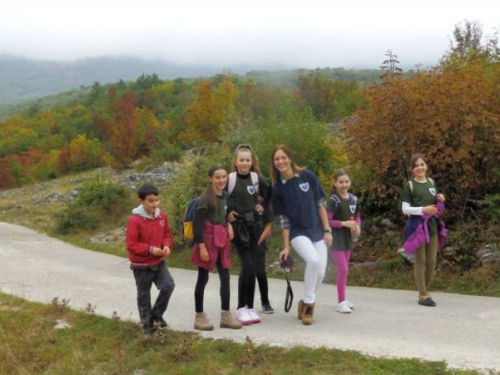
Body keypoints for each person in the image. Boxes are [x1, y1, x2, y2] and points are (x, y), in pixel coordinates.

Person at [271, 145, 333, 325]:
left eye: (283, 157)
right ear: (274, 164)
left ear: (290, 158)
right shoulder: (277, 189)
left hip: (317, 230)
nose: (281, 161)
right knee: (313, 261)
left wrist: (327, 230)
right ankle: (309, 306)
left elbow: (321, 204)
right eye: (277, 159)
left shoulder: (308, 176)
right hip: (298, 233)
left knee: (320, 272)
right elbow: (284, 221)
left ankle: (304, 300)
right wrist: (285, 246)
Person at [227, 144, 274, 325]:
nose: (244, 163)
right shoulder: (230, 179)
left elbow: (270, 190)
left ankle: (250, 307)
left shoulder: (256, 178)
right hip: (239, 227)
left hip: (254, 225)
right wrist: (227, 216)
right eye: (241, 160)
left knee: (253, 267)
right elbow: (222, 199)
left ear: (252, 161)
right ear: (235, 161)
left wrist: (263, 204)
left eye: (248, 160)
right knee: (246, 265)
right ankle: (240, 307)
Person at [191, 164, 242, 331]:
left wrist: (228, 223)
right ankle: (199, 316)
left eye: (224, 177)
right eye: (218, 177)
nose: (221, 180)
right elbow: (197, 224)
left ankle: (225, 316)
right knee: (203, 278)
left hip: (221, 241)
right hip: (207, 241)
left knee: (225, 277)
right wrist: (202, 247)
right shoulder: (205, 198)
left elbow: (222, 215)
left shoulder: (225, 196)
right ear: (210, 179)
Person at [126, 183, 175, 334]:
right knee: (143, 295)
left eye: (157, 200)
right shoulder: (135, 220)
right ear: (141, 201)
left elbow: (167, 234)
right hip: (141, 264)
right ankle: (147, 326)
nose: (155, 204)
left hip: (158, 261)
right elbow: (131, 244)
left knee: (168, 286)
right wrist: (150, 249)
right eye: (151, 201)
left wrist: (166, 245)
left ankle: (156, 316)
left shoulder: (162, 216)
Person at [401, 153, 447, 307]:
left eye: (422, 164)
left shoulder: (431, 182)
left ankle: (425, 291)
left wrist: (440, 198)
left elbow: (433, 202)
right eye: (416, 166)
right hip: (417, 227)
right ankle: (422, 294)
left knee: (432, 260)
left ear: (426, 166)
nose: (420, 168)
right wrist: (423, 210)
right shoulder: (410, 186)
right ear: (412, 169)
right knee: (420, 260)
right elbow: (404, 209)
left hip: (432, 225)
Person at [326, 169, 360, 314]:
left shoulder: (354, 199)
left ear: (350, 182)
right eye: (341, 182)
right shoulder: (333, 200)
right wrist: (343, 224)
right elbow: (327, 221)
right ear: (335, 183)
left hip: (348, 239)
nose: (344, 184)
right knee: (343, 268)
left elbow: (357, 216)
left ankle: (343, 299)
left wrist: (357, 226)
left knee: (344, 270)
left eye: (346, 181)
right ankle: (341, 302)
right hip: (335, 239)